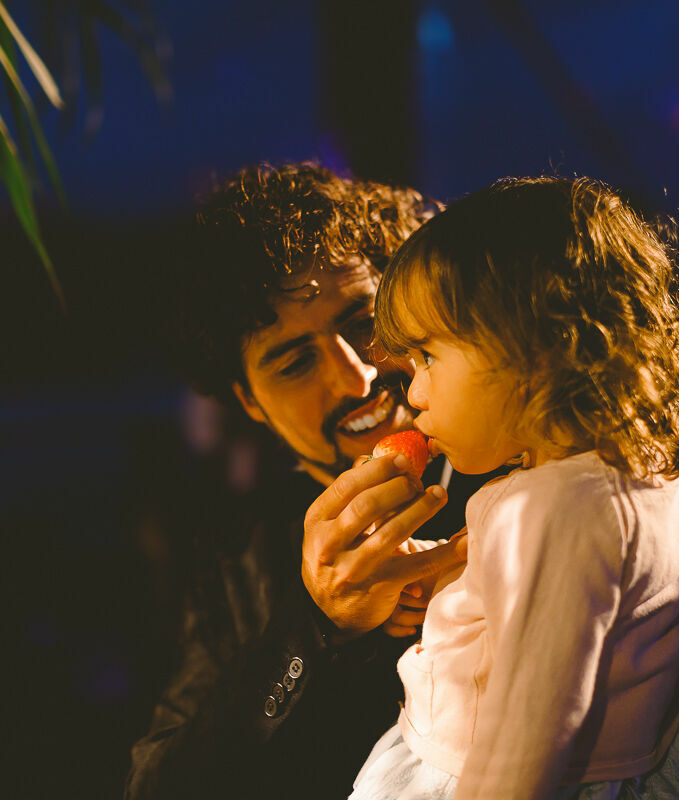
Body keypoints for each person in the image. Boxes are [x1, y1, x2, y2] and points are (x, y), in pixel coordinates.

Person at [347, 176, 679, 800]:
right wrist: (441, 574)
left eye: (428, 358)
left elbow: (528, 734)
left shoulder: (555, 508)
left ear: (534, 345)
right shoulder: (636, 482)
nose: (414, 393)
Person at [125, 163, 474, 799]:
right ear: (249, 402)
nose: (354, 378)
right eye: (294, 364)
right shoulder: (244, 555)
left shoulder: (524, 471)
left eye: (364, 325)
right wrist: (317, 626)